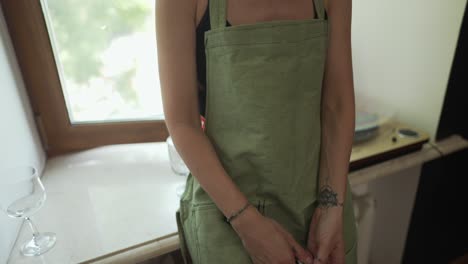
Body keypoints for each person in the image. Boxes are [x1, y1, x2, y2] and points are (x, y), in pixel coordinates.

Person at [156, 0, 358, 263]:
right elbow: (183, 123)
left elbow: (338, 104)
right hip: (227, 213)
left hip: (323, 206)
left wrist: (331, 207)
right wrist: (247, 223)